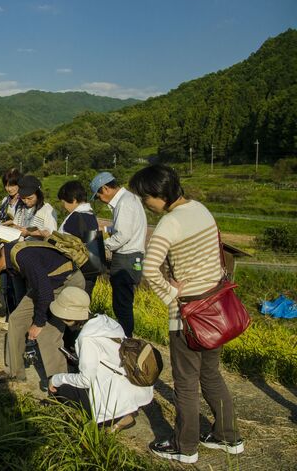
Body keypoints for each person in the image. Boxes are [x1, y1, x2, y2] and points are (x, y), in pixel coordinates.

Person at [129, 164, 243, 464]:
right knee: (211, 374)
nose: (146, 204)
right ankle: (228, 437)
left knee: (186, 382)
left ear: (158, 193)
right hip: (214, 308)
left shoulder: (169, 224)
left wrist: (171, 294)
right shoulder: (200, 209)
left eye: (145, 198)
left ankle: (185, 446)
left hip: (188, 315)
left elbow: (150, 268)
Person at [0, 239, 85, 381]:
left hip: (66, 283)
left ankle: (60, 389)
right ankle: (14, 372)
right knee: (16, 319)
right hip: (45, 285)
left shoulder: (23, 257)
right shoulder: (4, 256)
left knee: (48, 333)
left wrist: (38, 323)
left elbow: (45, 293)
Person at [47, 287, 153, 431]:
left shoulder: (87, 338)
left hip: (114, 397)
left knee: (61, 389)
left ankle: (116, 417)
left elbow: (86, 380)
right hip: (133, 387)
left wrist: (56, 379)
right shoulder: (105, 321)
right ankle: (127, 412)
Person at [90, 171, 146, 337]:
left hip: (126, 258)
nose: (99, 199)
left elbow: (123, 235)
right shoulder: (129, 199)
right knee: (123, 302)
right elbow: (125, 227)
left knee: (122, 304)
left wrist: (99, 246)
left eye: (98, 195)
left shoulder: (124, 203)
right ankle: (126, 337)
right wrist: (107, 229)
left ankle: (126, 340)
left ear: (105, 188)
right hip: (131, 256)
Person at [57, 180, 100, 296]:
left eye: (64, 202)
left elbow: (64, 244)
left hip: (77, 273)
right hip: (92, 268)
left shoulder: (75, 218)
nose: (64, 206)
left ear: (74, 200)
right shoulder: (91, 215)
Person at [0, 168, 23, 314]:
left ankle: (16, 317)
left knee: (17, 284)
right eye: (6, 185)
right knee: (5, 285)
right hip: (3, 244)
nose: (8, 188)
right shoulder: (5, 201)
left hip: (17, 246)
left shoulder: (24, 202)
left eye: (12, 185)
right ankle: (9, 316)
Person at [9, 175, 58, 240]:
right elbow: (16, 225)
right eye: (23, 198)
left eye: (30, 198)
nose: (26, 201)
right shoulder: (21, 207)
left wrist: (29, 233)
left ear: (38, 195)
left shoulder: (47, 209)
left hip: (37, 246)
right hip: (20, 243)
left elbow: (51, 234)